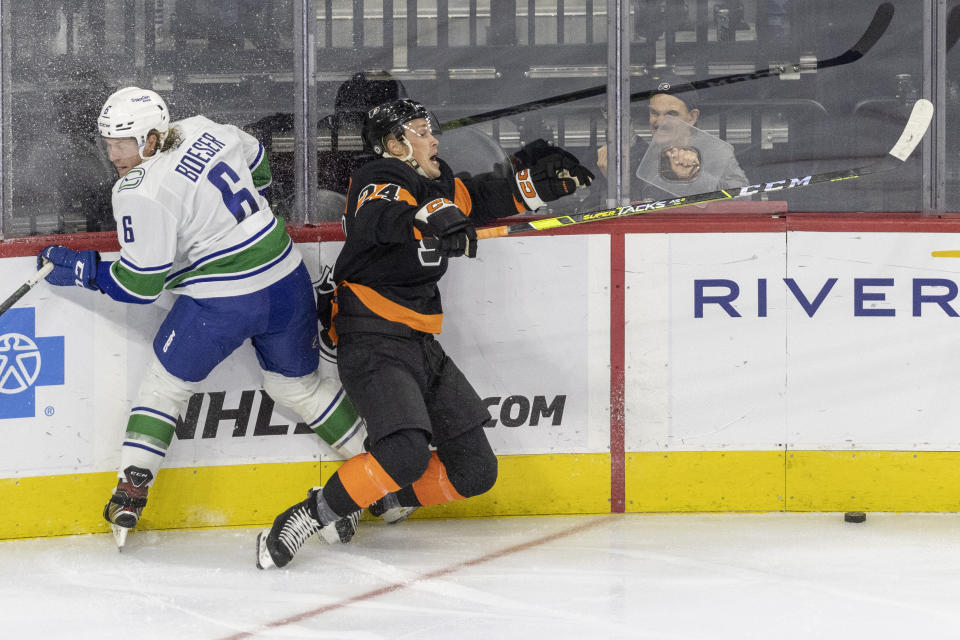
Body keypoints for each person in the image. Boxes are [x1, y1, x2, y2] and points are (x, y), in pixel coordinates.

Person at [255, 98, 594, 569]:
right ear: (396, 144)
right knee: (405, 453)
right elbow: (379, 217)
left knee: (476, 472)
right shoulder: (379, 176)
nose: (434, 138)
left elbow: (487, 197)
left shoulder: (439, 183)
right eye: (420, 131)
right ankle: (306, 516)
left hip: (419, 341)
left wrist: (539, 184)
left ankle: (370, 497)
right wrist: (429, 216)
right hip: (371, 337)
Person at [36, 86, 368, 547]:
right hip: (287, 279)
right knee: (297, 386)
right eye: (107, 141)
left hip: (223, 302)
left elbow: (140, 284)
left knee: (165, 386)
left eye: (122, 142)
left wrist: (81, 269)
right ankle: (381, 476)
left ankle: (131, 490)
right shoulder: (207, 129)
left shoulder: (138, 190)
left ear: (152, 138)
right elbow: (258, 160)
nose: (112, 153)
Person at [595, 74, 749, 202]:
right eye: (654, 113)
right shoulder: (636, 154)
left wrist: (695, 177)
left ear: (692, 117)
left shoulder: (716, 153)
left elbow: (743, 199)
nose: (660, 122)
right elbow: (604, 211)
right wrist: (615, 182)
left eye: (671, 114)